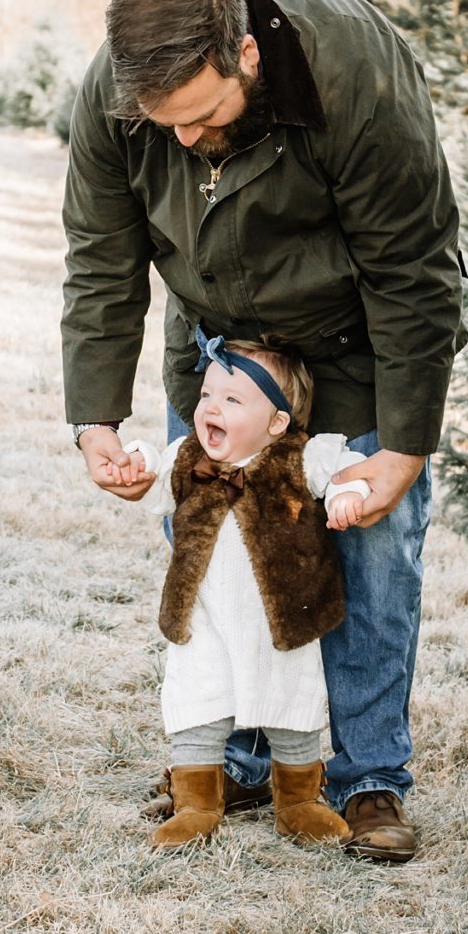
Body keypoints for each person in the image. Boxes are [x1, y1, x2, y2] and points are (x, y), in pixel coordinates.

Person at [62, 0, 465, 863]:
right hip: (218, 359)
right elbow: (100, 259)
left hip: (353, 343)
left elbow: (414, 269)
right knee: (217, 556)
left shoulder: (354, 68)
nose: (194, 139)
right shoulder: (119, 93)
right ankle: (240, 758)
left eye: (207, 113)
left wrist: (401, 450)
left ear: (245, 53)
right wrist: (95, 422)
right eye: (170, 127)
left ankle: (367, 780)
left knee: (368, 551)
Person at [118, 330, 370, 851]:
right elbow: (153, 475)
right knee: (197, 698)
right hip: (203, 617)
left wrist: (350, 492)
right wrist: (137, 459)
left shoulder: (300, 457)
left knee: (292, 701)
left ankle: (298, 801)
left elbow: (346, 469)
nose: (212, 407)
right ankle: (196, 804)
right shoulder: (188, 458)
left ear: (277, 422)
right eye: (207, 394)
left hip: (280, 619)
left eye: (233, 399)